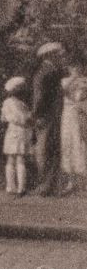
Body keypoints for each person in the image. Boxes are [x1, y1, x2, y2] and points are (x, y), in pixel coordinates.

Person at [31, 42, 67, 195]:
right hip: (47, 116)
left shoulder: (48, 72)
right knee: (47, 150)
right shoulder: (48, 72)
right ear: (49, 56)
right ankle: (47, 186)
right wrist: (37, 114)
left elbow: (39, 96)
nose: (61, 57)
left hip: (48, 116)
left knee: (46, 150)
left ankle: (47, 187)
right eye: (58, 55)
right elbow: (40, 97)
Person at [2, 75, 33, 196]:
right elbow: (14, 118)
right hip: (17, 131)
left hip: (15, 132)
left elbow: (4, 118)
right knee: (17, 158)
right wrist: (27, 119)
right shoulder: (12, 103)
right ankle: (17, 187)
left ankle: (14, 187)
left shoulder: (14, 103)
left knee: (14, 158)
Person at [61, 60, 86, 195]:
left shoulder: (84, 82)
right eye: (73, 66)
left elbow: (80, 98)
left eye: (78, 67)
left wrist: (81, 87)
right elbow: (62, 91)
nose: (76, 69)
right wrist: (73, 79)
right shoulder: (65, 81)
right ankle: (71, 182)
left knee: (79, 144)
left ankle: (82, 183)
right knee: (67, 145)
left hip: (78, 114)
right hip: (66, 115)